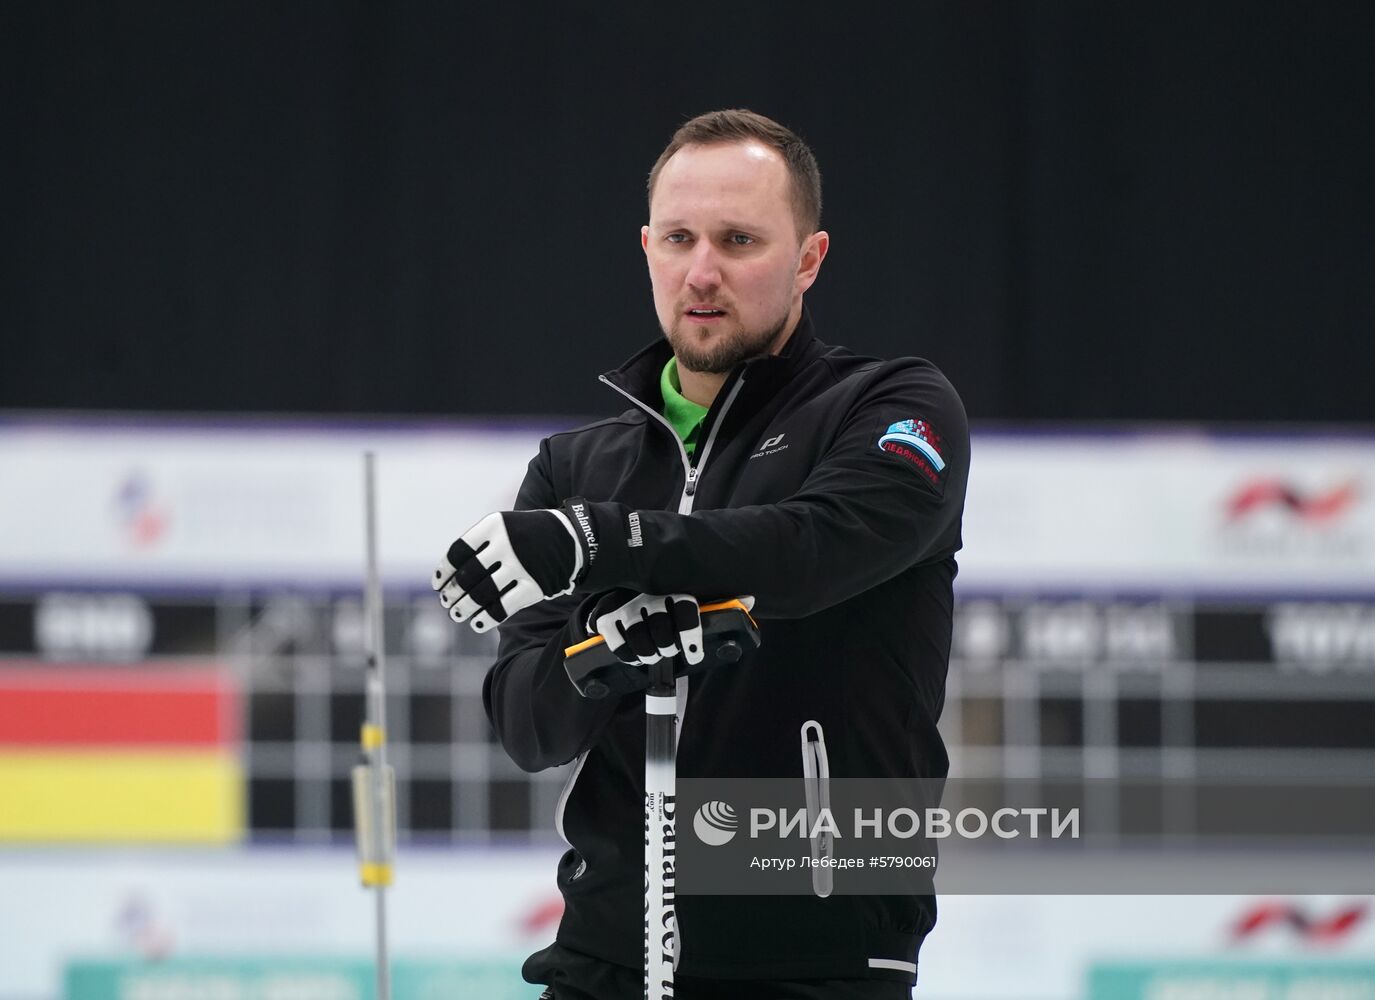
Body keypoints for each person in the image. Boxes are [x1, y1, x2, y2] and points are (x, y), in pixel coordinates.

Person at [433, 109, 969, 999]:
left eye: (739, 239)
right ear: (647, 247)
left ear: (808, 258)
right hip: (603, 955)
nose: (703, 271)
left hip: (820, 960)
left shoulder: (890, 405)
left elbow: (809, 552)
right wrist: (599, 659)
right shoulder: (576, 464)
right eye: (678, 238)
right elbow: (525, 726)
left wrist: (599, 542)